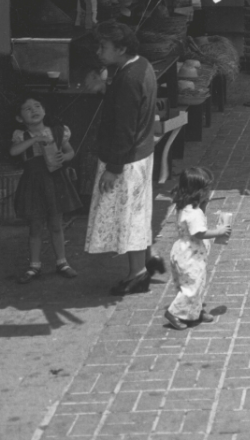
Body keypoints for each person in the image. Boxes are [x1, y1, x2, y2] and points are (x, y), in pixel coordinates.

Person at [85, 20, 165, 295]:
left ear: (120, 48)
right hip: (140, 154)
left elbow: (124, 128)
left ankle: (137, 273)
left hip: (127, 160)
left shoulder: (129, 78)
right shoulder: (140, 65)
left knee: (129, 218)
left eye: (103, 47)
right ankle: (139, 268)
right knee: (137, 216)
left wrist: (113, 168)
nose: (98, 52)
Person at [10, 95, 83, 283]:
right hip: (33, 183)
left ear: (44, 110)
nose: (34, 110)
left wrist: (65, 158)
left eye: (37, 106)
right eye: (27, 108)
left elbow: (70, 151)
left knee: (56, 223)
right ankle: (34, 265)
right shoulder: (21, 135)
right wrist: (34, 140)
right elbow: (14, 151)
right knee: (35, 225)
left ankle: (62, 262)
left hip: (54, 181)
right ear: (19, 118)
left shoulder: (57, 131)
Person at [164, 167, 232, 330]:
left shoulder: (185, 206)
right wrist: (219, 231)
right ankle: (174, 313)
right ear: (197, 191)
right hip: (190, 255)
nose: (209, 193)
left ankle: (194, 311)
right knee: (192, 285)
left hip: (183, 251)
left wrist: (204, 204)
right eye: (206, 190)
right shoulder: (193, 213)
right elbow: (199, 233)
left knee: (193, 283)